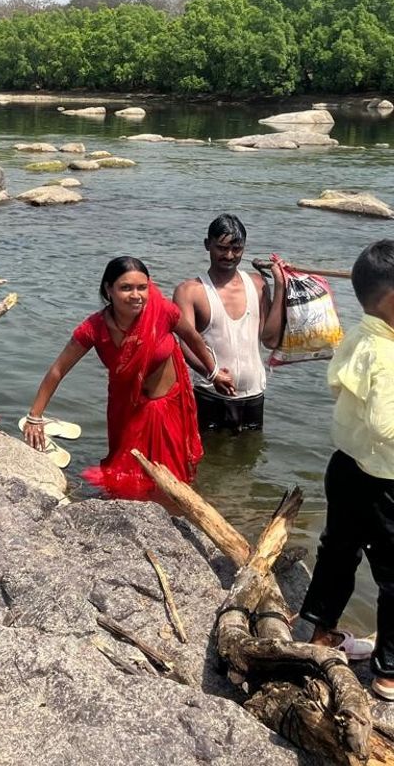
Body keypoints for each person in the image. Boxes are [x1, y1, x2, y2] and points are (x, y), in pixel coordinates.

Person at [23, 256, 218, 500]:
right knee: (126, 482)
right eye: (126, 288)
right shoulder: (94, 328)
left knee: (171, 487)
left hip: (167, 408)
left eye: (142, 287)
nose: (136, 295)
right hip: (127, 410)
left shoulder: (163, 312)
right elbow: (58, 370)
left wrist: (214, 372)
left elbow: (193, 338)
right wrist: (35, 416)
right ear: (109, 290)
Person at [299, 240, 394, 696]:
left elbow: (337, 384)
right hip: (384, 479)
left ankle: (321, 632)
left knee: (338, 551)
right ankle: (390, 671)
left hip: (346, 466)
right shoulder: (389, 354)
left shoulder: (359, 334)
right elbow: (384, 423)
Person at [173, 214, 285, 433]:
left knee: (249, 461)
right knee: (210, 462)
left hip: (254, 395)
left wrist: (280, 285)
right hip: (209, 395)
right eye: (222, 248)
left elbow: (270, 340)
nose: (229, 255)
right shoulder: (189, 291)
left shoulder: (258, 284)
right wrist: (213, 374)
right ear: (208, 245)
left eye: (237, 249)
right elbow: (184, 344)